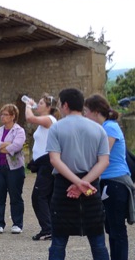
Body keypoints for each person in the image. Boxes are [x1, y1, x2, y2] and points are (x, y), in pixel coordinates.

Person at [47, 88, 110, 260]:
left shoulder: (56, 128)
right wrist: (84, 183)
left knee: (58, 243)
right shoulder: (99, 129)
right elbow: (104, 161)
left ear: (65, 105)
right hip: (91, 187)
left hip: (64, 186)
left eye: (60, 104)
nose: (59, 107)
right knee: (98, 243)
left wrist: (77, 183)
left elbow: (55, 160)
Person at [84, 94, 135, 260]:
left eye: (86, 112)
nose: (85, 116)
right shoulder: (104, 127)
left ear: (96, 112)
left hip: (116, 182)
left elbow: (101, 155)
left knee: (117, 230)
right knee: (112, 229)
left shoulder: (110, 128)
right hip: (108, 182)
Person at [24, 93, 59, 241]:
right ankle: (51, 227)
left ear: (49, 107)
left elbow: (30, 118)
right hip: (44, 163)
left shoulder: (49, 119)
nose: (37, 105)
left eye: (41, 103)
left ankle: (47, 229)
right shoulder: (47, 121)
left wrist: (27, 105)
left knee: (39, 196)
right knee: (47, 196)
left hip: (47, 162)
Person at [0, 104, 26, 234]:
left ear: (12, 116)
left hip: (15, 168)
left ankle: (17, 223)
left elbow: (17, 146)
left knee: (15, 196)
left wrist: (2, 148)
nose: (2, 117)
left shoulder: (19, 131)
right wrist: (4, 146)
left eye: (5, 114)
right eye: (2, 114)